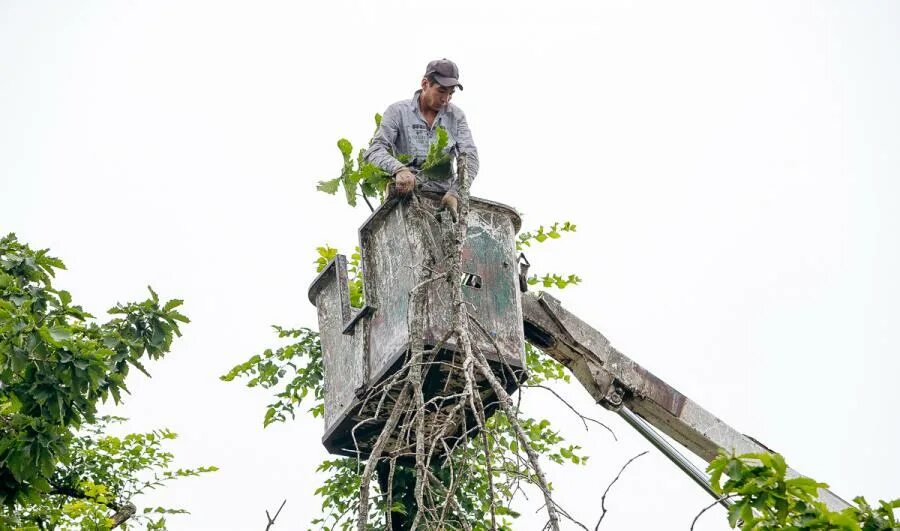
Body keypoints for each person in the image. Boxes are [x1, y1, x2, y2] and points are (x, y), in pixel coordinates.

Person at [363, 58, 479, 220]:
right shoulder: (397, 112)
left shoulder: (456, 116)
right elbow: (374, 151)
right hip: (407, 198)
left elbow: (471, 159)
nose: (446, 99)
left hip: (444, 199)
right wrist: (399, 170)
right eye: (441, 91)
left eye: (451, 93)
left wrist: (455, 193)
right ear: (425, 84)